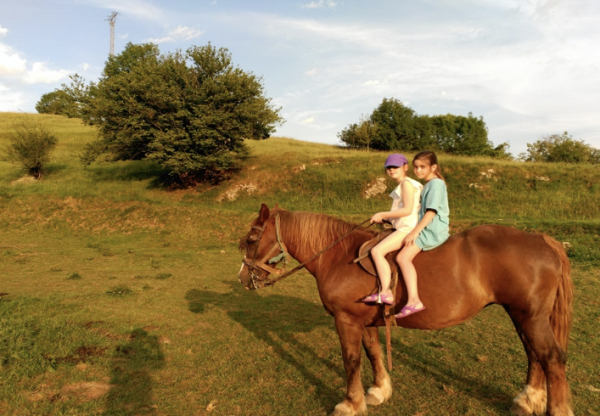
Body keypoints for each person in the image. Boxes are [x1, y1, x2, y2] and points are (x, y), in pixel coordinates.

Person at [395, 150, 449, 318]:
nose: (418, 171)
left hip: (431, 229)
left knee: (402, 258)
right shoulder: (429, 184)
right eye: (416, 167)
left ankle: (413, 300)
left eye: (422, 167)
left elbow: (431, 211)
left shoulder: (436, 184)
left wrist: (415, 232)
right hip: (425, 226)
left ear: (433, 167)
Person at [362, 153, 423, 306]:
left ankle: (385, 292)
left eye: (395, 166)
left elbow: (407, 210)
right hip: (404, 225)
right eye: (388, 167)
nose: (391, 169)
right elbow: (404, 211)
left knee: (377, 251)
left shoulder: (406, 184)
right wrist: (386, 218)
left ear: (405, 167)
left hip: (407, 228)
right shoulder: (405, 184)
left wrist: (383, 213)